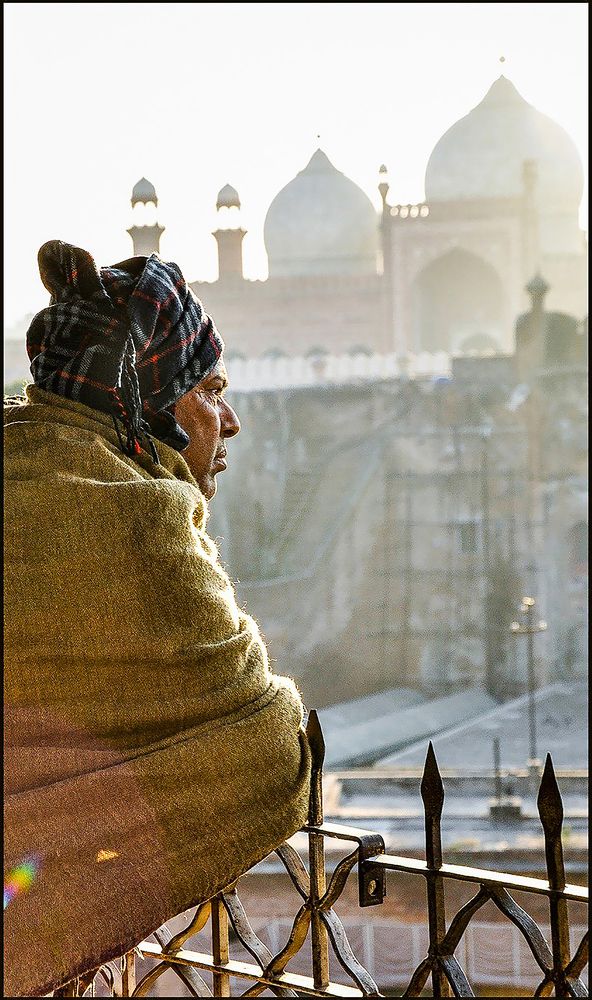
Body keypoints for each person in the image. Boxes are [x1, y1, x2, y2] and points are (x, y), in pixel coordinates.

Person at [4, 241, 311, 998]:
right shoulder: (134, 518)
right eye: (209, 389)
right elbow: (264, 734)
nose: (229, 420)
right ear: (143, 404)